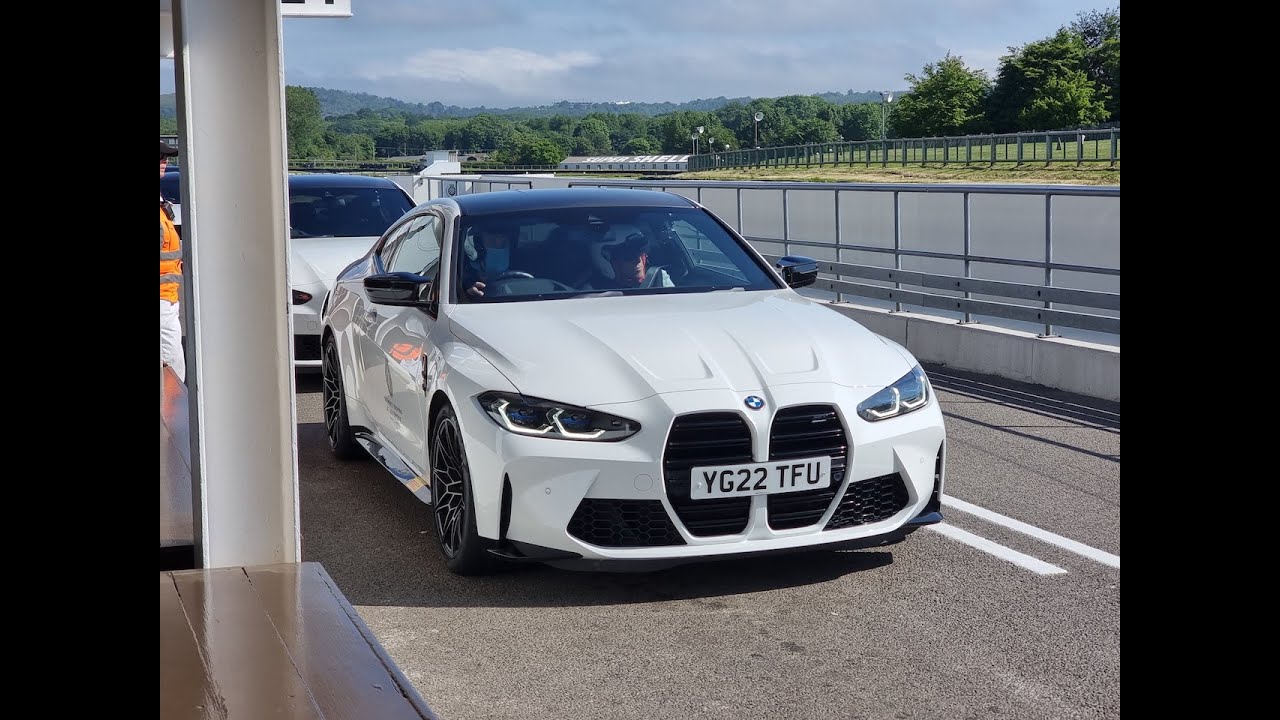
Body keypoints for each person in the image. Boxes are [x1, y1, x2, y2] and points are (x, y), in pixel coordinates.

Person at [159, 141, 186, 383]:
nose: (164, 162)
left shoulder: (161, 204)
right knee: (172, 371)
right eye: (160, 158)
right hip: (161, 303)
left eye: (165, 158)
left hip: (168, 298)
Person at [583, 229, 674, 291]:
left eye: (640, 253)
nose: (638, 261)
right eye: (629, 257)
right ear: (611, 262)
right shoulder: (592, 291)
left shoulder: (658, 278)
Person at [459, 220, 517, 300]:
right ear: (477, 245)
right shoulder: (456, 274)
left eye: (503, 244)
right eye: (492, 243)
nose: (499, 246)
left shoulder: (523, 269)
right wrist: (466, 296)